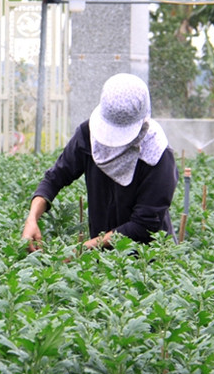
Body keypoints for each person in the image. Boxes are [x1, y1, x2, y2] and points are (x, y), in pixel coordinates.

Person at [21, 73, 178, 251]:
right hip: (99, 253)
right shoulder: (89, 134)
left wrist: (80, 250)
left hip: (150, 261)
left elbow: (143, 226)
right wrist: (32, 218)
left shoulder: (158, 155)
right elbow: (55, 178)